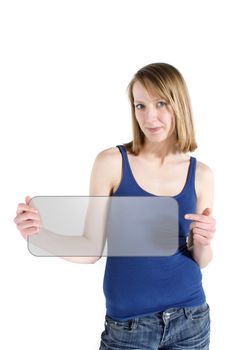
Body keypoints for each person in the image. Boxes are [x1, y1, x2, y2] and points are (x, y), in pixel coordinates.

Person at [14, 62, 216, 350]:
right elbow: (91, 248)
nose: (150, 116)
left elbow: (201, 259)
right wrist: (37, 234)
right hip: (128, 327)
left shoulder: (202, 174)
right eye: (140, 105)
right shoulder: (112, 163)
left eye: (161, 103)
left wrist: (204, 241)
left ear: (178, 104)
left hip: (190, 320)